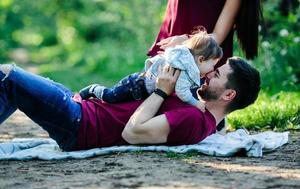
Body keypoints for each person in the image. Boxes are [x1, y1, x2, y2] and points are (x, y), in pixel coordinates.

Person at [0, 56, 260, 151]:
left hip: (81, 124)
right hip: (82, 106)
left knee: (8, 77)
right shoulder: (201, 111)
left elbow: (132, 133)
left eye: (216, 75)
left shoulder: (195, 121)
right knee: (16, 85)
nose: (208, 74)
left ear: (228, 96)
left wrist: (160, 92)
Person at [148, 0, 262, 130]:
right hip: (170, 57)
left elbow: (218, 35)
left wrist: (186, 40)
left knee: (182, 123)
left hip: (197, 68)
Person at [78, 30, 223, 111]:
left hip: (142, 88)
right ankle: (92, 89)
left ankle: (92, 105)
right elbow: (182, 92)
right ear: (201, 59)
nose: (212, 70)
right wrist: (196, 103)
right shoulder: (186, 68)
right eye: (213, 65)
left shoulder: (184, 59)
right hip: (135, 85)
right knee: (110, 97)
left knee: (117, 107)